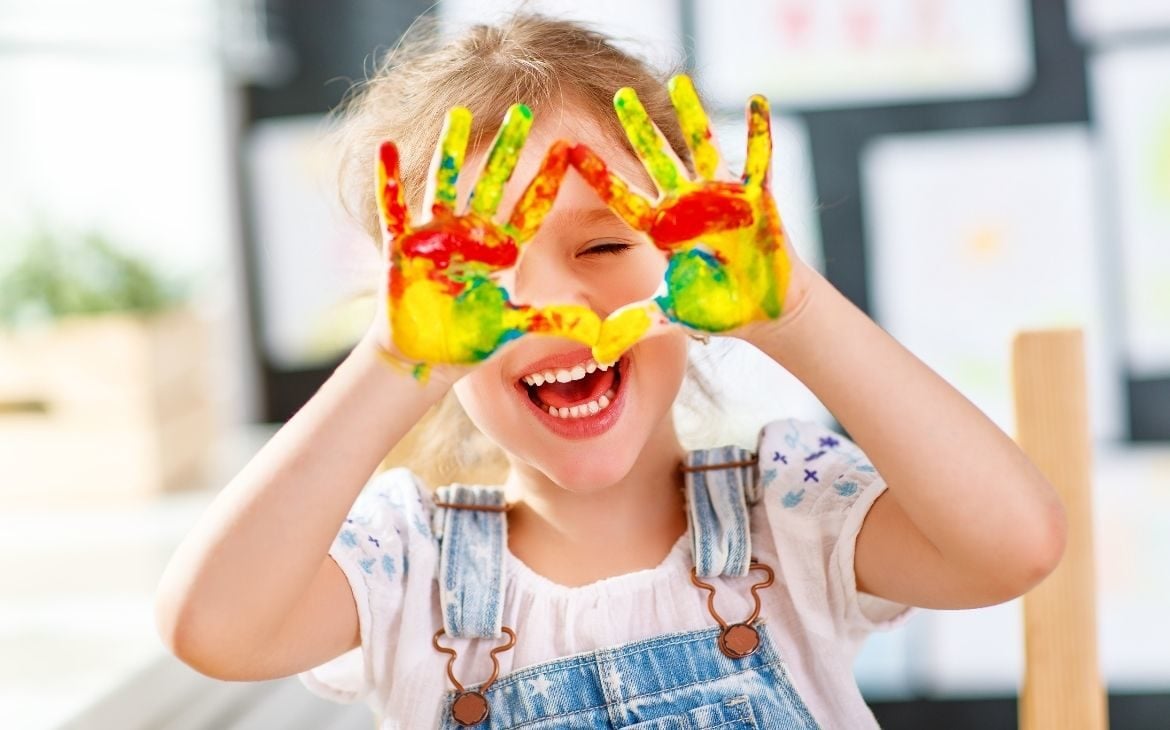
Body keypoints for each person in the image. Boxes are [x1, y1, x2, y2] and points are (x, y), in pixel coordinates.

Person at [153, 13, 1067, 729]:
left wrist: (796, 314)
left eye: (602, 244)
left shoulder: (789, 515)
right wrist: (392, 363)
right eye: (487, 276)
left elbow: (1015, 546)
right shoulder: (408, 568)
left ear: (696, 258)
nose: (559, 309)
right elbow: (211, 630)